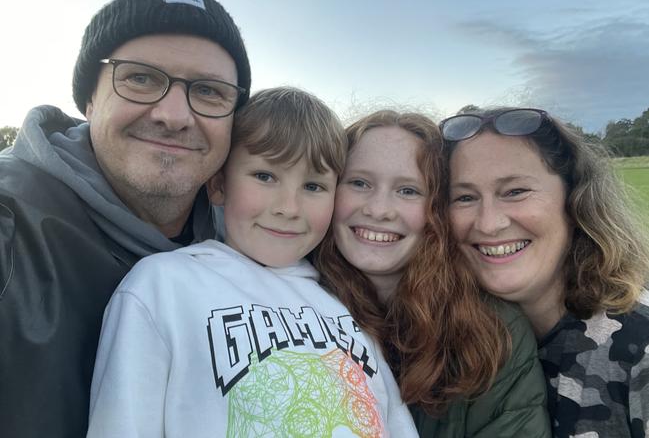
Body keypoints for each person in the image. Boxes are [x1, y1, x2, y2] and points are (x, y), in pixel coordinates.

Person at [87, 88, 418, 437]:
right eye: (265, 176)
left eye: (313, 186)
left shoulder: (347, 306)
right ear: (218, 185)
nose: (288, 207)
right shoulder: (163, 285)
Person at [0, 0, 250, 437]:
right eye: (140, 78)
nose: (174, 115)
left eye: (210, 91)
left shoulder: (256, 242)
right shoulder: (10, 228)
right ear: (90, 100)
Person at [314, 109, 551, 437]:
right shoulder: (282, 308)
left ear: (437, 210)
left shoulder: (493, 334)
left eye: (408, 190)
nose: (379, 209)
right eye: (358, 182)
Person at [441, 107, 649, 437]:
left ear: (574, 198)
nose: (489, 223)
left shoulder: (640, 349)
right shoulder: (445, 349)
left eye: (515, 191)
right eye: (464, 197)